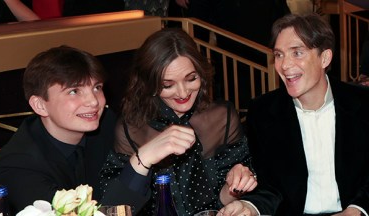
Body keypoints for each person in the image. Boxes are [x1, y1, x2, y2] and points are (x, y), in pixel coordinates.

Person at [99, 28, 280, 215]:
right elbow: (113, 208)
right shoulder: (132, 128)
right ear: (150, 84)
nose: (183, 93)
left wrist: (235, 187)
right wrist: (145, 156)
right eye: (168, 85)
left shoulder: (221, 117)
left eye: (191, 79)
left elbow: (225, 200)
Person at [247, 13, 369, 215]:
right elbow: (268, 186)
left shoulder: (363, 104)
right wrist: (248, 206)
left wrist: (357, 210)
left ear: (325, 58)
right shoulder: (262, 112)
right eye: (278, 55)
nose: (284, 65)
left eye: (297, 53)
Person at [0, 45, 116, 214]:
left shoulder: (106, 123)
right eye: (74, 91)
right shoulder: (17, 166)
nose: (93, 101)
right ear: (40, 106)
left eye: (97, 87)